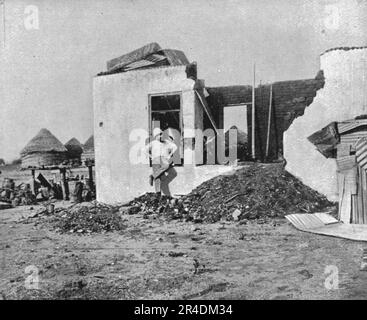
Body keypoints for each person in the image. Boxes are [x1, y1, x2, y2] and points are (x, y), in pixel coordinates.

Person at [144, 127, 178, 194]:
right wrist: (151, 156)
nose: (160, 136)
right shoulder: (153, 143)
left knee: (167, 166)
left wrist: (169, 155)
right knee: (158, 178)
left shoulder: (165, 142)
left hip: (163, 159)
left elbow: (174, 147)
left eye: (161, 134)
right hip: (155, 160)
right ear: (155, 136)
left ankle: (152, 176)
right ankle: (158, 193)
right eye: (158, 135)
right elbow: (144, 150)